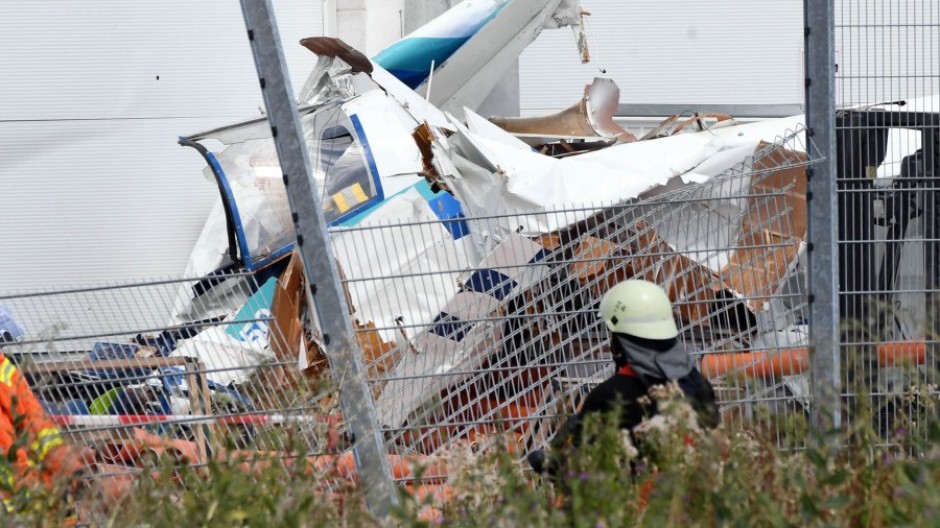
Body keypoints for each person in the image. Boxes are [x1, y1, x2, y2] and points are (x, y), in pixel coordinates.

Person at [529, 279, 719, 475]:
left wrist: (552, 461)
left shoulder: (611, 395)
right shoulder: (697, 385)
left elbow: (573, 467)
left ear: (620, 340)